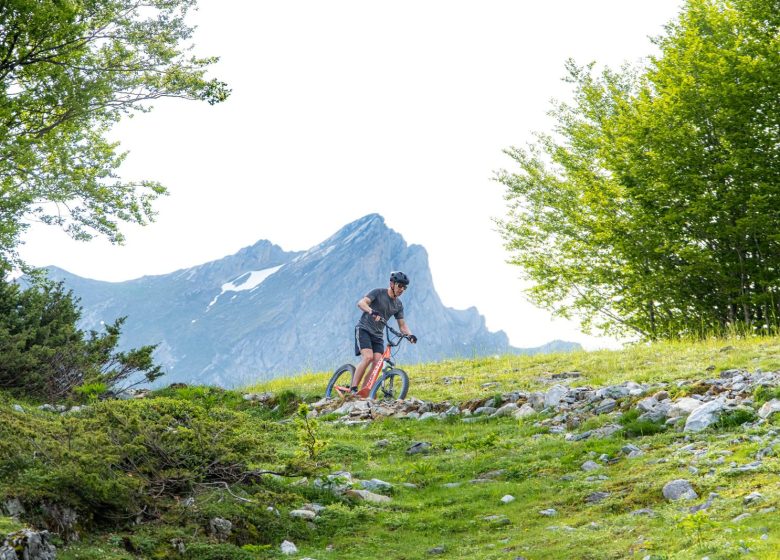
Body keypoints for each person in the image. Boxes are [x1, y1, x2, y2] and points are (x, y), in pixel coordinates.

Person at [351, 271, 417, 393]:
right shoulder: (378, 292)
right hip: (364, 329)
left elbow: (402, 325)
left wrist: (410, 335)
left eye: (404, 287)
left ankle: (364, 392)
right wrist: (371, 311)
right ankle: (353, 388)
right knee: (368, 357)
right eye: (400, 285)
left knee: (378, 363)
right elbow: (361, 303)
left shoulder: (398, 305)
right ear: (392, 284)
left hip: (378, 335)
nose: (402, 289)